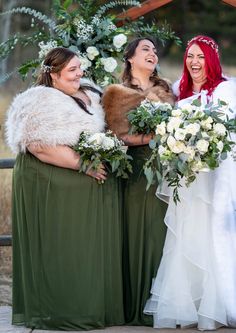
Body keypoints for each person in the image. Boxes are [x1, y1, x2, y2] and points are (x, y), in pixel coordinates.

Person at [6, 47, 125, 330]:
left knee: (83, 249)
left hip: (80, 188)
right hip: (49, 183)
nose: (79, 74)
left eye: (79, 68)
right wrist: (83, 165)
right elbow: (39, 145)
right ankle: (61, 310)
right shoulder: (38, 102)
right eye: (72, 70)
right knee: (59, 247)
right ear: (53, 76)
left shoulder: (89, 93)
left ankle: (90, 305)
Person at [144, 35, 236, 330]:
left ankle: (216, 305)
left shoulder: (225, 90)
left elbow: (228, 135)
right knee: (186, 236)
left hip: (214, 177)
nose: (194, 63)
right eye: (190, 57)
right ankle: (190, 307)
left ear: (211, 60)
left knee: (213, 235)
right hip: (186, 179)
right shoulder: (177, 90)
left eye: (200, 57)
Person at [102, 37, 175, 326]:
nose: (152, 54)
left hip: (166, 171)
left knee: (162, 233)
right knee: (137, 233)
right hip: (134, 171)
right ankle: (136, 306)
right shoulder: (115, 93)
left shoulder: (166, 89)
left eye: (155, 51)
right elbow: (116, 135)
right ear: (130, 57)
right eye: (145, 49)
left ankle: (161, 305)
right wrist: (149, 138)